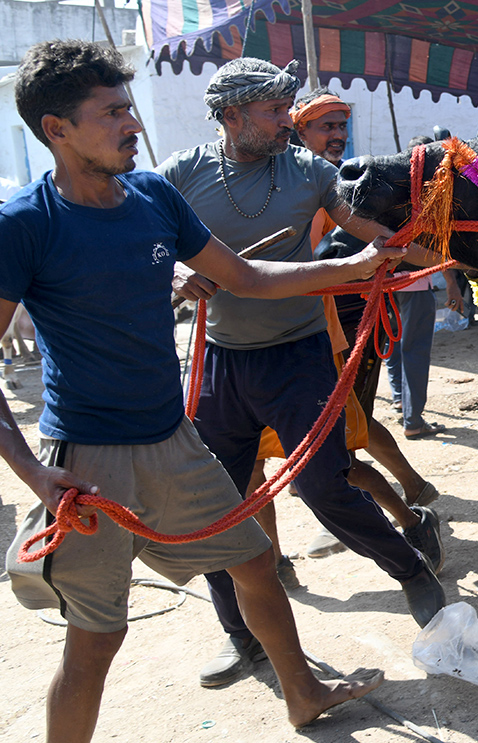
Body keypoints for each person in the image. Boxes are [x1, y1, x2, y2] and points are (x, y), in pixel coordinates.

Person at [1, 40, 390, 742]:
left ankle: (301, 693)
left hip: (175, 439)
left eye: (130, 107)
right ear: (56, 129)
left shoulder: (152, 196)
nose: (134, 125)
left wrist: (358, 268)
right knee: (97, 642)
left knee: (254, 561)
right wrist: (33, 473)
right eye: (113, 112)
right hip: (90, 463)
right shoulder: (25, 225)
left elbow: (245, 276)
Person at [158, 57, 447, 689]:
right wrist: (176, 274)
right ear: (231, 117)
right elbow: (147, 244)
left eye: (288, 108)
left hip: (299, 355)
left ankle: (412, 570)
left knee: (324, 487)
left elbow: (373, 231)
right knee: (220, 509)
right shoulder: (180, 175)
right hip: (222, 366)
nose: (286, 121)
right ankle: (244, 640)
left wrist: (442, 255)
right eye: (271, 111)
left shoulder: (310, 171)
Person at [270, 87, 446, 564]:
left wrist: (453, 260)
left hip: (334, 324)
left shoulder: (339, 183)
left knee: (348, 432)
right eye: (326, 126)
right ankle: (276, 559)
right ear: (296, 129)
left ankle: (404, 509)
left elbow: (386, 240)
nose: (338, 135)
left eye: (341, 125)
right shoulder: (276, 179)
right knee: (340, 429)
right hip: (276, 326)